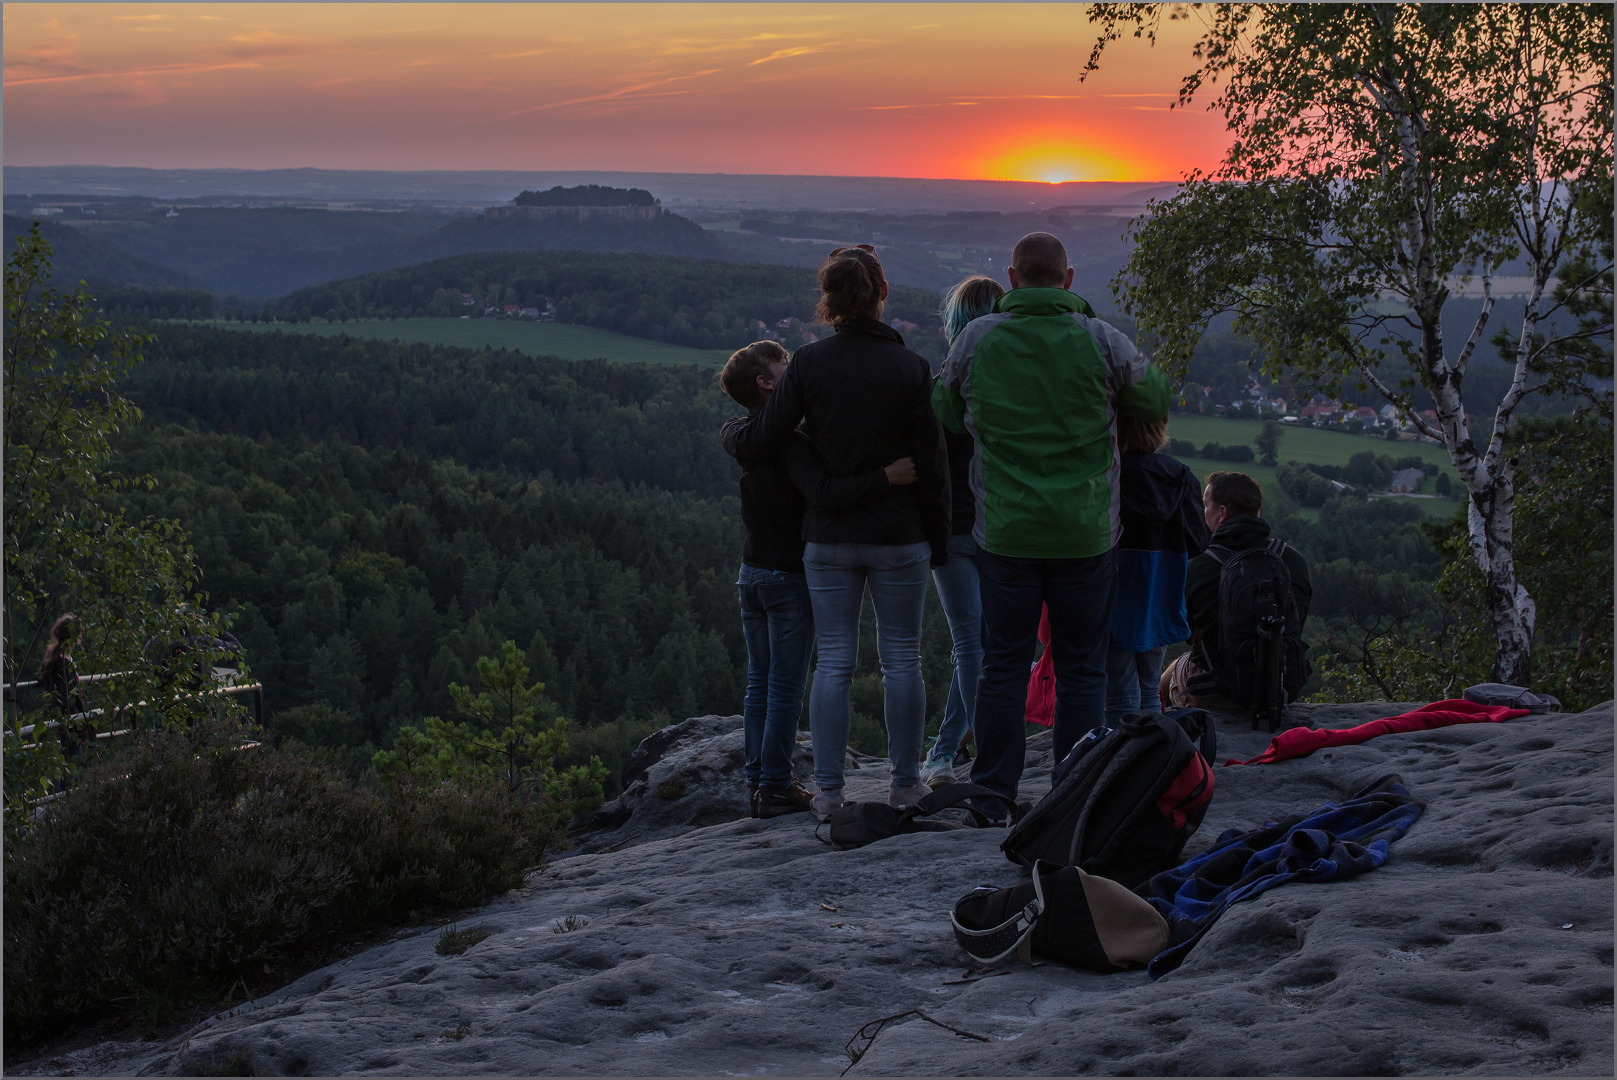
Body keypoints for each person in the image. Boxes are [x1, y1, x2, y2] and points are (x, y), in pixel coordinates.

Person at [933, 231, 1169, 809]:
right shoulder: (1102, 341)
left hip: (1006, 533)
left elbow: (943, 412)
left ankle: (992, 789)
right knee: (1083, 670)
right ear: (1068, 280)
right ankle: (1073, 790)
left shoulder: (976, 341)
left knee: (1002, 664)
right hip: (1086, 533)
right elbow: (1154, 401)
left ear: (1012, 280)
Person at [727, 246, 951, 820]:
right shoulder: (910, 367)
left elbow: (765, 436)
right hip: (899, 534)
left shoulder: (808, 363)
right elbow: (933, 462)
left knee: (834, 664)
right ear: (881, 295)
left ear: (829, 301)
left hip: (827, 537)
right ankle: (905, 785)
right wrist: (940, 542)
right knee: (902, 660)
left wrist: (735, 436)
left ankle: (827, 794)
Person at [717, 340, 920, 818]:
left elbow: (735, 434)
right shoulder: (790, 443)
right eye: (784, 365)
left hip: (751, 574)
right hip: (787, 577)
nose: (793, 368)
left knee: (759, 683)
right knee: (785, 685)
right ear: (768, 383)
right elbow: (825, 494)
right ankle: (774, 785)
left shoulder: (742, 433)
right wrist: (886, 477)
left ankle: (757, 779)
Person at [918, 275, 1004, 788]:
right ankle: (959, 753)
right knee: (980, 644)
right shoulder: (1013, 388)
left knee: (973, 645)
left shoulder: (940, 385)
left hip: (951, 527)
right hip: (1003, 524)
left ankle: (952, 754)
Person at [1161, 471, 1312, 709]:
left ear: (1222, 513)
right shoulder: (1292, 561)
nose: (1203, 513)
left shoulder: (1198, 568)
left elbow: (1187, 634)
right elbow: (1297, 622)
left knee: (1168, 674)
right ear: (1257, 511)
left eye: (1206, 506)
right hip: (1279, 685)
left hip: (1216, 690)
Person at [1105, 414, 1211, 724]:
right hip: (1160, 593)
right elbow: (1198, 542)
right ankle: (1148, 755)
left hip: (1115, 593)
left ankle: (1118, 762)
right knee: (1150, 686)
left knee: (1119, 690)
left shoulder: (1107, 473)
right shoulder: (1179, 475)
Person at [38, 613, 92, 762]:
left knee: (68, 760)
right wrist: (78, 722)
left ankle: (69, 786)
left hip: (63, 719)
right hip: (70, 720)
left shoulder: (55, 657)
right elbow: (67, 696)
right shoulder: (63, 664)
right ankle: (70, 787)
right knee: (73, 761)